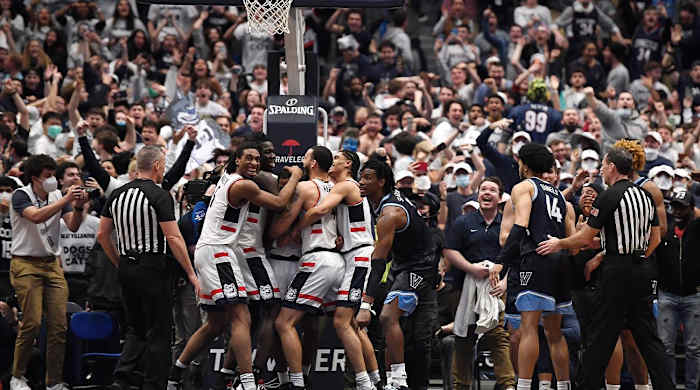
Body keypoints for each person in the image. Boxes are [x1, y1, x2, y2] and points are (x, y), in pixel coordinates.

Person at [537, 146, 674, 390]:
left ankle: (586, 386)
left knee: (602, 333)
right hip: (643, 270)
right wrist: (637, 256)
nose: (600, 169)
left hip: (617, 271)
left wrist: (559, 243)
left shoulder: (609, 195)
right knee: (648, 338)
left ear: (612, 167)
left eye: (603, 164)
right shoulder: (644, 195)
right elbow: (655, 238)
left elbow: (584, 237)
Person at [167, 142, 302, 390]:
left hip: (218, 251)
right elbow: (281, 202)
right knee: (243, 315)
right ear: (236, 160)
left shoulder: (228, 177)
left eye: (257, 159)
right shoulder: (243, 184)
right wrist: (296, 175)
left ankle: (176, 375)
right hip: (220, 251)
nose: (254, 162)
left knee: (215, 324)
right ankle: (247, 380)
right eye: (249, 158)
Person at [96, 146, 199, 390]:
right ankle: (154, 383)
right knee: (159, 329)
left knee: (136, 327)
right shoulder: (159, 194)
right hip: (153, 267)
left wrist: (119, 262)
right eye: (163, 165)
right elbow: (173, 238)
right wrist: (191, 273)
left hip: (126, 267)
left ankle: (122, 378)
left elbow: (102, 234)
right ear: (156, 166)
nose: (163, 170)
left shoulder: (118, 194)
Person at [289, 150, 380, 389]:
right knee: (351, 325)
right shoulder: (345, 188)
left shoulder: (346, 185)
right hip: (350, 255)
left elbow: (319, 210)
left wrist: (297, 229)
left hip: (358, 256)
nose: (333, 161)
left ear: (348, 164)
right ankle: (374, 380)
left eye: (337, 157)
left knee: (341, 322)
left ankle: (364, 383)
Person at [495, 143, 575, 390]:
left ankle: (523, 386)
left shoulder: (524, 187)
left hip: (537, 259)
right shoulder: (561, 197)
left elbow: (520, 227)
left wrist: (501, 262)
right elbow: (571, 244)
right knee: (554, 333)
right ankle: (563, 386)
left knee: (528, 328)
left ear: (524, 165)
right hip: (561, 262)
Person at [9, 154, 88, 390]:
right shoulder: (21, 195)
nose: (52, 179)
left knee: (59, 326)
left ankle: (53, 381)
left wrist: (79, 207)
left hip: (52, 263)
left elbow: (73, 226)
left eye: (54, 174)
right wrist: (64, 199)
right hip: (25, 263)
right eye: (48, 176)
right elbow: (35, 217)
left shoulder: (56, 196)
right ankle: (17, 376)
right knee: (32, 322)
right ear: (35, 178)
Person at [358, 158, 436, 390]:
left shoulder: (389, 213)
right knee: (393, 324)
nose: (361, 182)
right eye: (361, 176)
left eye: (367, 178)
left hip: (420, 266)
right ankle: (394, 379)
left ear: (381, 182)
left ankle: (399, 380)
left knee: (386, 317)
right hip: (406, 263)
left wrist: (366, 304)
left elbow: (379, 261)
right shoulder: (383, 202)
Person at [271, 146, 343, 390]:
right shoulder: (339, 187)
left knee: (283, 323)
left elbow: (285, 220)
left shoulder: (304, 187)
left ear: (312, 163)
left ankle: (297, 383)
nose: (303, 160)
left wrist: (276, 234)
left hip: (316, 260)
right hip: (338, 260)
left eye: (306, 157)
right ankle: (371, 380)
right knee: (344, 324)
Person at [444, 177, 516, 390]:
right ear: (477, 194)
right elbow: (449, 250)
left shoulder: (506, 223)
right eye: (483, 189)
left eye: (492, 190)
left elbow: (514, 255)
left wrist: (505, 282)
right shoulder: (463, 221)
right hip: (465, 285)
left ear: (500, 197)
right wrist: (470, 268)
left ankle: (508, 385)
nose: (487, 193)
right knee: (463, 335)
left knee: (497, 335)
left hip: (496, 287)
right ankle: (460, 386)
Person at [656, 189, 700, 390]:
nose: (677, 211)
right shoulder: (665, 229)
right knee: (665, 347)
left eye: (682, 207)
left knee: (694, 348)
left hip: (694, 294)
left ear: (691, 208)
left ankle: (692, 386)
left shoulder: (698, 228)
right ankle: (668, 386)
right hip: (667, 294)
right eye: (674, 206)